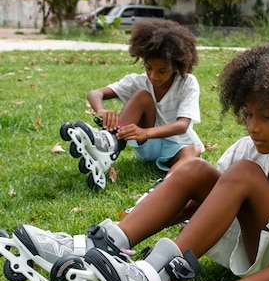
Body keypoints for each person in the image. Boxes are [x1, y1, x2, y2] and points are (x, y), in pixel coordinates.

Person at [13, 41, 269, 281]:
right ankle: (98, 244)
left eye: (267, 116)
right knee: (196, 171)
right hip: (257, 242)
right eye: (247, 114)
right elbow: (205, 202)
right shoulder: (249, 148)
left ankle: (151, 278)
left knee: (243, 173)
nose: (252, 127)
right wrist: (142, 220)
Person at [61, 18, 205, 189]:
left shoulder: (187, 83)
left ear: (176, 66)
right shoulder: (138, 82)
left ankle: (165, 185)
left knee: (193, 152)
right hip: (147, 145)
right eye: (149, 67)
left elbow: (182, 125)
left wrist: (146, 132)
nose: (153, 76)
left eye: (162, 71)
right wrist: (101, 110)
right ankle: (109, 143)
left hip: (178, 145)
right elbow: (95, 93)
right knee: (142, 96)